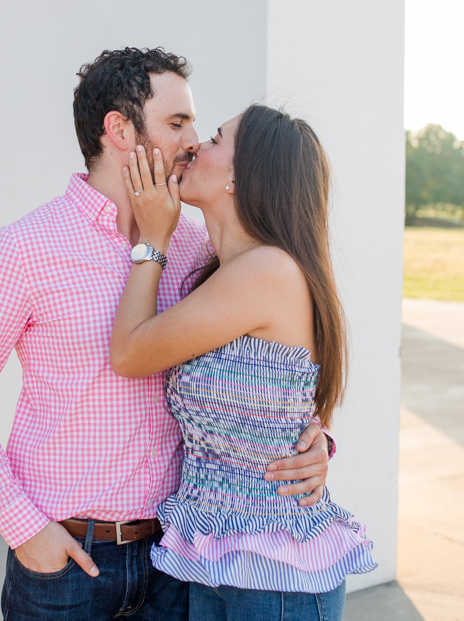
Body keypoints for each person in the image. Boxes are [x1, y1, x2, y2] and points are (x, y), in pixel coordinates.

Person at [0, 49, 334, 621]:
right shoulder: (25, 249)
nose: (193, 139)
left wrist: (310, 442)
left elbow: (263, 371)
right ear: (119, 130)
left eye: (197, 125)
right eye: (176, 123)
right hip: (67, 562)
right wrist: (22, 528)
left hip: (176, 560)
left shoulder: (200, 249)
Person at [109, 104, 376, 621]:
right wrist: (317, 440)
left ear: (240, 175)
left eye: (213, 138)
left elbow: (129, 353)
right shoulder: (226, 271)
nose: (193, 146)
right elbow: (276, 402)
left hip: (273, 575)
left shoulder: (266, 271)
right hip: (216, 559)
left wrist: (152, 239)